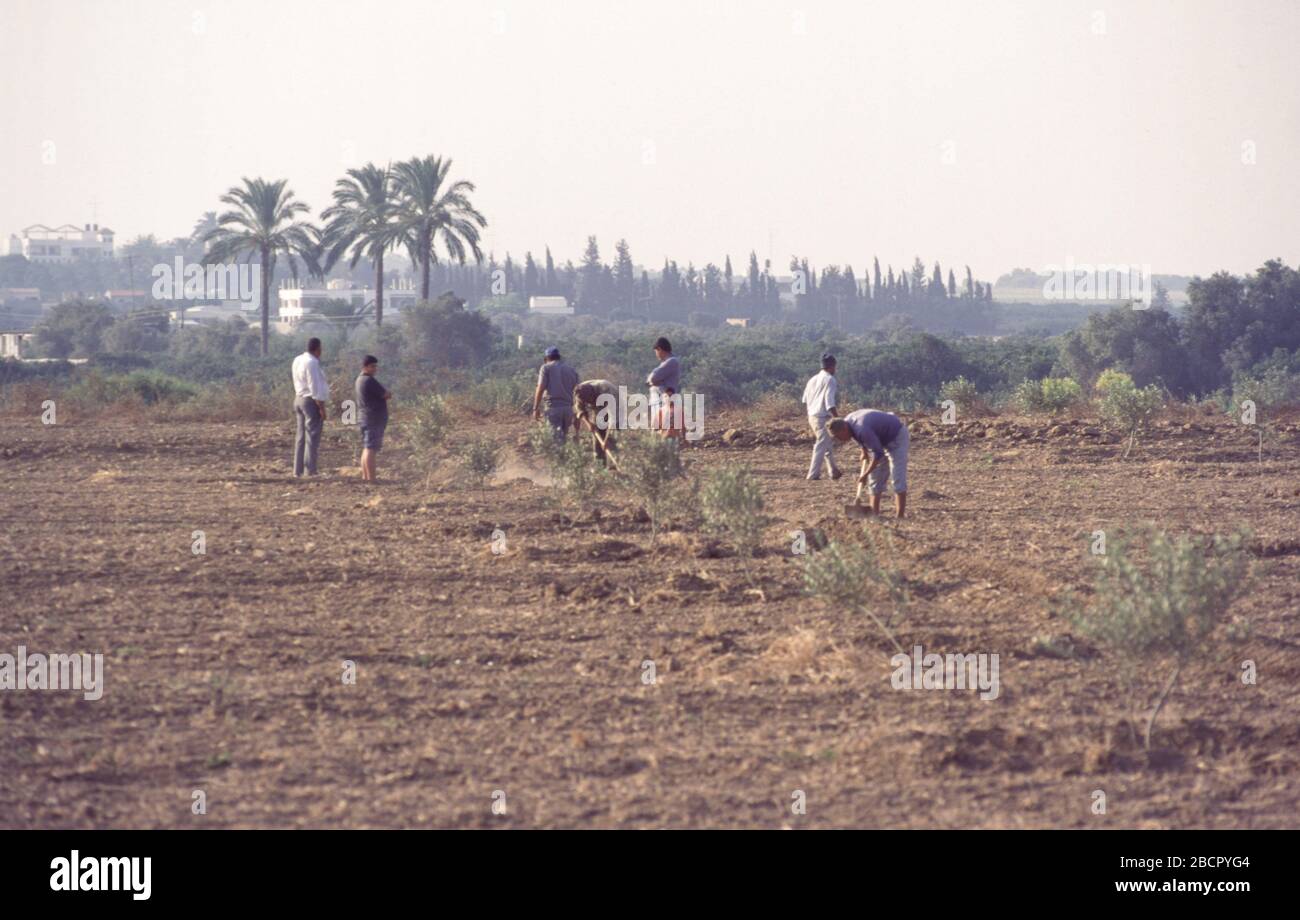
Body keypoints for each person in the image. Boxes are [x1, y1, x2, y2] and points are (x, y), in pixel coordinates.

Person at [829, 408, 910, 518]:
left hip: (897, 435)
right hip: (879, 438)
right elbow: (857, 436)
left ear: (844, 429)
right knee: (875, 480)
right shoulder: (847, 421)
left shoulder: (862, 429)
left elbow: (878, 454)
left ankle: (900, 517)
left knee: (897, 478)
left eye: (839, 436)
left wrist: (865, 475)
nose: (839, 440)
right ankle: (874, 515)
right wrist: (863, 450)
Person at [291, 337, 329, 477]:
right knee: (312, 438)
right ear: (317, 349)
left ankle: (298, 470)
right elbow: (315, 387)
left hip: (298, 398)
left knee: (301, 437)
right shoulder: (312, 362)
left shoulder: (298, 359)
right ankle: (311, 471)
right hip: (310, 401)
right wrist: (321, 407)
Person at [801, 352, 842, 481]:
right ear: (832, 366)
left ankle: (833, 471)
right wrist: (838, 418)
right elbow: (829, 403)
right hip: (821, 417)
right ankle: (813, 474)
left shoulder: (812, 380)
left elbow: (805, 400)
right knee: (822, 443)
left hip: (811, 416)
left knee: (826, 443)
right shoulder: (830, 379)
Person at [532, 346, 580, 443]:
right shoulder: (571, 370)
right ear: (559, 357)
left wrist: (535, 408)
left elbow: (540, 388)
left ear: (546, 358)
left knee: (555, 444)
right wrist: (576, 412)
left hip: (553, 410)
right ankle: (564, 458)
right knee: (563, 441)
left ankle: (558, 458)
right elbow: (578, 391)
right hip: (568, 411)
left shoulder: (546, 368)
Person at [354, 354, 391, 482]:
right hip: (373, 419)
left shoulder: (359, 380)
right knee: (371, 449)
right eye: (372, 366)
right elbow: (386, 394)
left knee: (367, 447)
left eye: (375, 366)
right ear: (365, 367)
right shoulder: (369, 380)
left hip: (365, 418)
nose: (375, 368)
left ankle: (366, 477)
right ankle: (372, 479)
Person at [573, 378, 620, 465]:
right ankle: (600, 465)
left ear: (593, 394)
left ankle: (615, 465)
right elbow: (580, 410)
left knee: (612, 439)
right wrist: (589, 423)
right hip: (598, 408)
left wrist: (606, 440)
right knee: (597, 434)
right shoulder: (580, 392)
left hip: (615, 405)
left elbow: (613, 419)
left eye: (590, 400)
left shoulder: (606, 390)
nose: (588, 402)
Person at [647, 336, 684, 438]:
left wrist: (654, 381)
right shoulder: (666, 363)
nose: (656, 355)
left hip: (665, 399)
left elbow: (653, 378)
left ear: (660, 349)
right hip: (661, 400)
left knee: (665, 431)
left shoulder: (671, 361)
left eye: (656, 351)